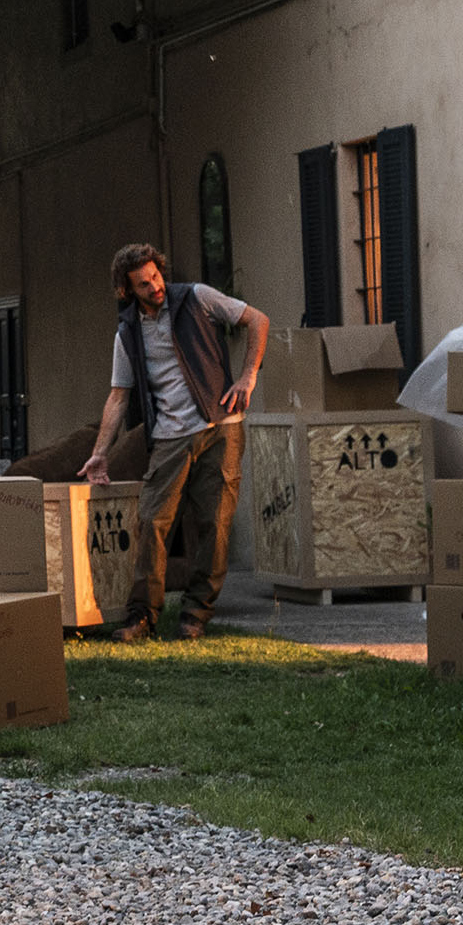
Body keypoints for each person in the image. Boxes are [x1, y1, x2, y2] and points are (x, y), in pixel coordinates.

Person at [79, 242, 269, 642]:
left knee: (215, 525)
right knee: (152, 522)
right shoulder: (128, 333)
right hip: (169, 437)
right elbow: (118, 395)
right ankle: (141, 617)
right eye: (143, 284)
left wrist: (248, 376)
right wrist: (100, 454)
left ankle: (195, 615)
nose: (155, 287)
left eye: (156, 276)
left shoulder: (197, 298)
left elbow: (257, 320)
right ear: (127, 290)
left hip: (221, 427)